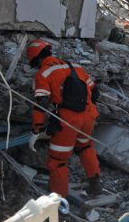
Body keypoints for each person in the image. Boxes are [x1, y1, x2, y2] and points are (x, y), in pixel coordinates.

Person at [26, 39, 102, 197]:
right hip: (89, 116)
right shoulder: (75, 66)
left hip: (68, 121)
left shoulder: (44, 72)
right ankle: (95, 186)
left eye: (35, 64)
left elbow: (42, 102)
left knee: (58, 160)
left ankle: (59, 202)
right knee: (85, 147)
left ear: (37, 59)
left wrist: (36, 129)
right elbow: (94, 91)